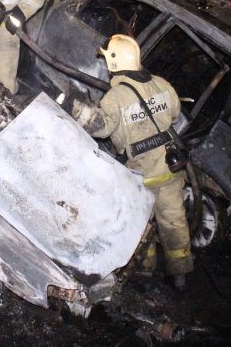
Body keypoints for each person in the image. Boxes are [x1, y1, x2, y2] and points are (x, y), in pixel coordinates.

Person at [69, 34, 193, 290]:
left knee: (139, 225)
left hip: (139, 176)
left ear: (114, 62)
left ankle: (144, 272)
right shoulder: (161, 84)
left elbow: (101, 128)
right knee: (174, 222)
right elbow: (174, 115)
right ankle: (180, 276)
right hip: (169, 169)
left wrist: (74, 108)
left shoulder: (115, 97)